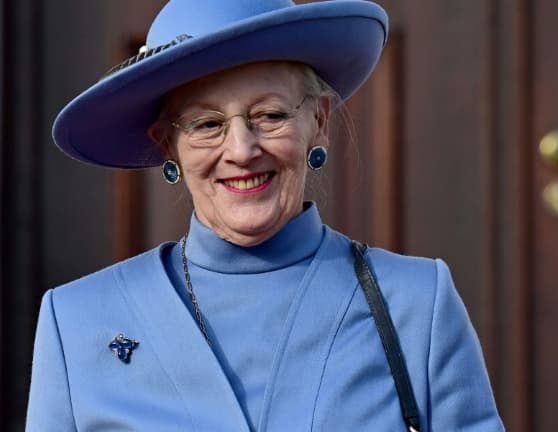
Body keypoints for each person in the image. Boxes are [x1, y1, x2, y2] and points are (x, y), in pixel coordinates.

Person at [26, 0, 505, 431]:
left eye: (270, 115)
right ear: (166, 143)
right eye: (207, 124)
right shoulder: (75, 321)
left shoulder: (417, 303)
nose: (241, 150)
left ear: (317, 121)